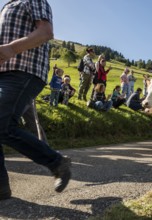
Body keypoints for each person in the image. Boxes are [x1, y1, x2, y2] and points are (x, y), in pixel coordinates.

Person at [0, 0, 71, 201]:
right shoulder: (6, 6)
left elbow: (45, 32)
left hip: (24, 70)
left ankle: (57, 162)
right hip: (5, 74)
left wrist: (12, 49)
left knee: (2, 124)